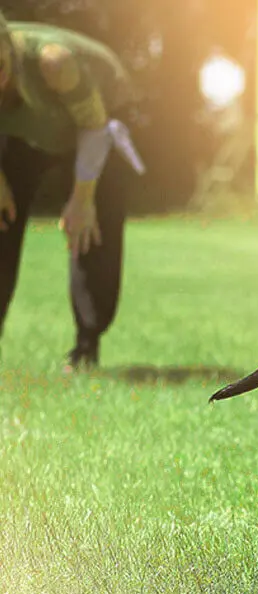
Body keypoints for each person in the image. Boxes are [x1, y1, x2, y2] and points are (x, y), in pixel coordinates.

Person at [0, 11, 144, 369]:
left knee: (91, 226)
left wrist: (82, 199)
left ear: (9, 47)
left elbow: (94, 128)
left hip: (98, 119)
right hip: (24, 132)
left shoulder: (53, 62)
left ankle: (86, 345)